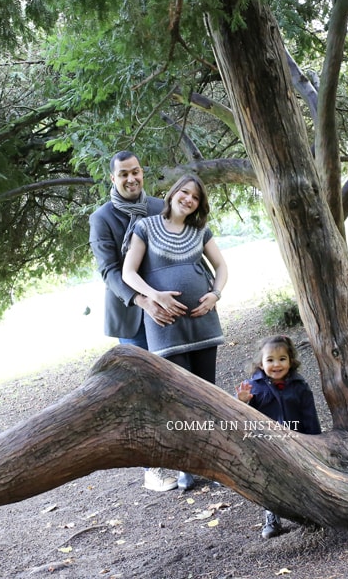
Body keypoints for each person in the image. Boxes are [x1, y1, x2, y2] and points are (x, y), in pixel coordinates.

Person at [121, 174, 229, 491]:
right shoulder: (146, 227)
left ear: (199, 204)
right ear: (172, 194)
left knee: (206, 394)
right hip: (166, 328)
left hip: (203, 323)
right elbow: (128, 273)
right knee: (178, 398)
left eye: (195, 197)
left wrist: (215, 294)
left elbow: (222, 267)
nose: (188, 199)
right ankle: (185, 467)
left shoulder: (200, 231)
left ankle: (212, 464)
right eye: (184, 192)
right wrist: (155, 296)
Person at [89, 150, 179, 492]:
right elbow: (109, 271)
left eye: (136, 172)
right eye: (123, 174)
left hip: (169, 310)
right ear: (113, 179)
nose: (131, 179)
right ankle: (153, 468)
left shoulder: (161, 207)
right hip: (132, 314)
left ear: (143, 172)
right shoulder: (102, 218)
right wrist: (144, 300)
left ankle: (187, 457)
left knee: (176, 383)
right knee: (143, 389)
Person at [236, 335, 322, 538]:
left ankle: (311, 513)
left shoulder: (299, 386)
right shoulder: (253, 387)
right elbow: (241, 417)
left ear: (291, 360)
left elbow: (310, 415)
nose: (276, 364)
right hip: (267, 444)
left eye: (282, 359)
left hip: (297, 440)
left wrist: (315, 442)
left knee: (302, 477)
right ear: (260, 363)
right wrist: (242, 402)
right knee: (270, 481)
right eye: (270, 360)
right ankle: (272, 516)